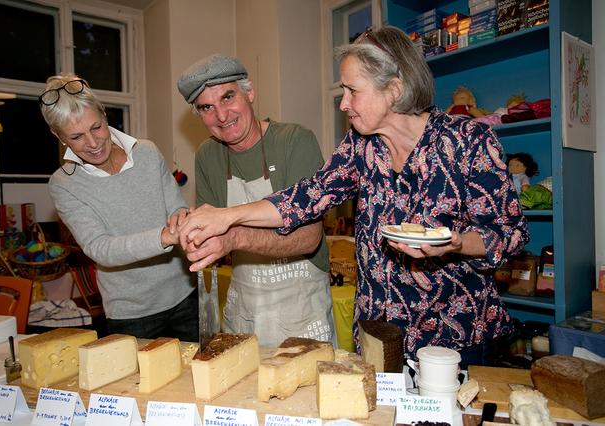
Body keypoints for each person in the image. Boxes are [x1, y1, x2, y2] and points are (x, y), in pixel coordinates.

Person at [177, 28, 529, 367]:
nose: (343, 103)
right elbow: (305, 197)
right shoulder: (362, 145)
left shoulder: (468, 141)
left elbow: (510, 233)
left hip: (455, 335)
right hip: (377, 331)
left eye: (351, 91)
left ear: (394, 88)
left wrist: (453, 244)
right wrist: (228, 217)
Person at [176, 54, 336, 348]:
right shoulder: (207, 156)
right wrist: (189, 231)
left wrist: (231, 236)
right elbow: (210, 231)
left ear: (249, 93)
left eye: (228, 97)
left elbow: (308, 238)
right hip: (245, 309)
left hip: (300, 308)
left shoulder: (294, 140)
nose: (221, 116)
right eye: (207, 108)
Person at [40, 73, 197, 341]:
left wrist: (183, 220)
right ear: (59, 136)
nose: (92, 143)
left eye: (96, 127)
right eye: (76, 136)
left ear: (104, 115)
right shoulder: (64, 184)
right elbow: (101, 249)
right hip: (131, 313)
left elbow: (176, 208)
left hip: (185, 294)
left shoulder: (146, 153)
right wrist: (164, 236)